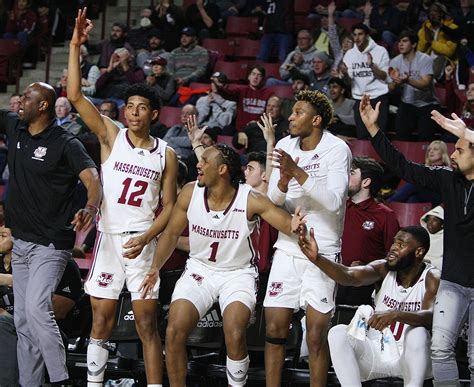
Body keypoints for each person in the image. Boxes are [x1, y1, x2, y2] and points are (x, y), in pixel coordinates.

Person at [68, 10, 178, 387]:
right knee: (101, 319)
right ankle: (94, 384)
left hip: (141, 244)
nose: (133, 112)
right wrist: (75, 45)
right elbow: (74, 95)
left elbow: (172, 208)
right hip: (109, 241)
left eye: (141, 107)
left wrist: (147, 238)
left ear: (154, 113)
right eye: (129, 106)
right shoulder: (111, 136)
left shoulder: (166, 153)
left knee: (147, 324)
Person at [137, 142, 305, 387]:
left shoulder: (251, 199)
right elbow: (172, 234)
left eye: (205, 161)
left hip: (238, 274)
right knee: (173, 332)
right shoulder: (189, 192)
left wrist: (295, 225)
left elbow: (286, 224)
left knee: (235, 332)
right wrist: (154, 268)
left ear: (223, 169)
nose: (198, 164)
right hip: (200, 270)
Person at [360, 95, 474, 385]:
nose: (454, 154)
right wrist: (374, 131)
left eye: (460, 149)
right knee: (440, 349)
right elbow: (404, 167)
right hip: (453, 281)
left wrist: (467, 133)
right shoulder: (448, 180)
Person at [0, 78, 101, 385]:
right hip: (21, 242)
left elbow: (93, 178)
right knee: (22, 320)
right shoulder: (14, 125)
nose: (19, 103)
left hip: (51, 243)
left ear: (43, 106)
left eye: (27, 99)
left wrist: (90, 207)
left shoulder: (65, 143)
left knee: (36, 308)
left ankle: (60, 380)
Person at [263, 90, 351, 387]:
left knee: (315, 335)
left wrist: (297, 171)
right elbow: (273, 199)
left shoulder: (337, 149)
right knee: (274, 329)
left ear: (316, 120)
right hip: (287, 248)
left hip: (321, 250)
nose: (290, 116)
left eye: (297, 112)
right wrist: (284, 181)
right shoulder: (286, 144)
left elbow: (334, 201)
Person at [299, 225, 441, 386]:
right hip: (377, 354)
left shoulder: (432, 277)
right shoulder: (384, 268)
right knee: (337, 333)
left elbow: (432, 316)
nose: (393, 248)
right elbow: (349, 275)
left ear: (419, 252)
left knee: (419, 334)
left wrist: (396, 314)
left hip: (410, 359)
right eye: (394, 243)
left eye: (401, 245)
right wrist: (317, 259)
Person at [338, 156, 400, 305]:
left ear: (366, 182)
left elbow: (395, 257)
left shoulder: (385, 216)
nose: (346, 177)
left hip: (363, 288)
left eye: (352, 173)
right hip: (330, 279)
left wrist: (368, 267)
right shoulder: (338, 206)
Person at [388, 30, 440, 141]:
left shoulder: (425, 59)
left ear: (414, 44)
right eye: (399, 41)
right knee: (401, 135)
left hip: (427, 104)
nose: (400, 44)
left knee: (425, 137)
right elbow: (390, 88)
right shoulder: (394, 61)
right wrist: (395, 82)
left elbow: (425, 84)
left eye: (404, 41)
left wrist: (407, 80)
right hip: (407, 103)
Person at [342, 23, 390, 138]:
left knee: (379, 136)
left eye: (360, 34)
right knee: (361, 136)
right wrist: (345, 74)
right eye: (355, 35)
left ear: (367, 35)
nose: (357, 38)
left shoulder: (380, 51)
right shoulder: (349, 54)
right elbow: (349, 82)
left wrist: (372, 65)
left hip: (378, 97)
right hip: (360, 99)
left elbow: (385, 76)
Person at [388, 139, 451, 206]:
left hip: (440, 198)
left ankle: (388, 202)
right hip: (425, 195)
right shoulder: (424, 167)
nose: (431, 151)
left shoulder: (446, 169)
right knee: (413, 198)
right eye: (429, 150)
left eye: (435, 149)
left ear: (443, 153)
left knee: (415, 183)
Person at [420, 205, 444, 269]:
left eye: (435, 220)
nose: (430, 223)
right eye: (429, 219)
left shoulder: (447, 239)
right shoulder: (422, 235)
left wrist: (430, 262)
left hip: (436, 269)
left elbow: (448, 260)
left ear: (442, 224)